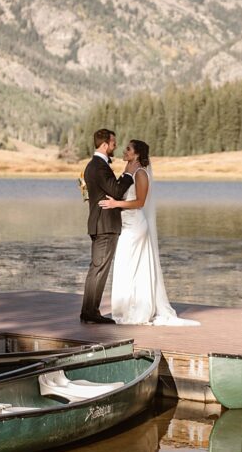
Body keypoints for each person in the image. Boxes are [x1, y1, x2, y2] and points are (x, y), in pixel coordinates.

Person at [99, 139, 200, 326]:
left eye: (128, 149)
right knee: (125, 267)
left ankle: (138, 309)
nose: (124, 150)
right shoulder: (129, 172)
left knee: (131, 266)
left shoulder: (141, 174)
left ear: (136, 154)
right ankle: (125, 308)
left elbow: (140, 202)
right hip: (126, 224)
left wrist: (116, 204)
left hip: (135, 226)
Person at [80, 128, 135, 324]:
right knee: (100, 269)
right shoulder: (99, 167)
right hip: (105, 225)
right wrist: (128, 174)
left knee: (95, 268)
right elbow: (117, 191)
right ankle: (91, 312)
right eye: (113, 143)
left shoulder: (91, 166)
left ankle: (87, 311)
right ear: (104, 145)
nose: (115, 146)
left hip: (98, 223)